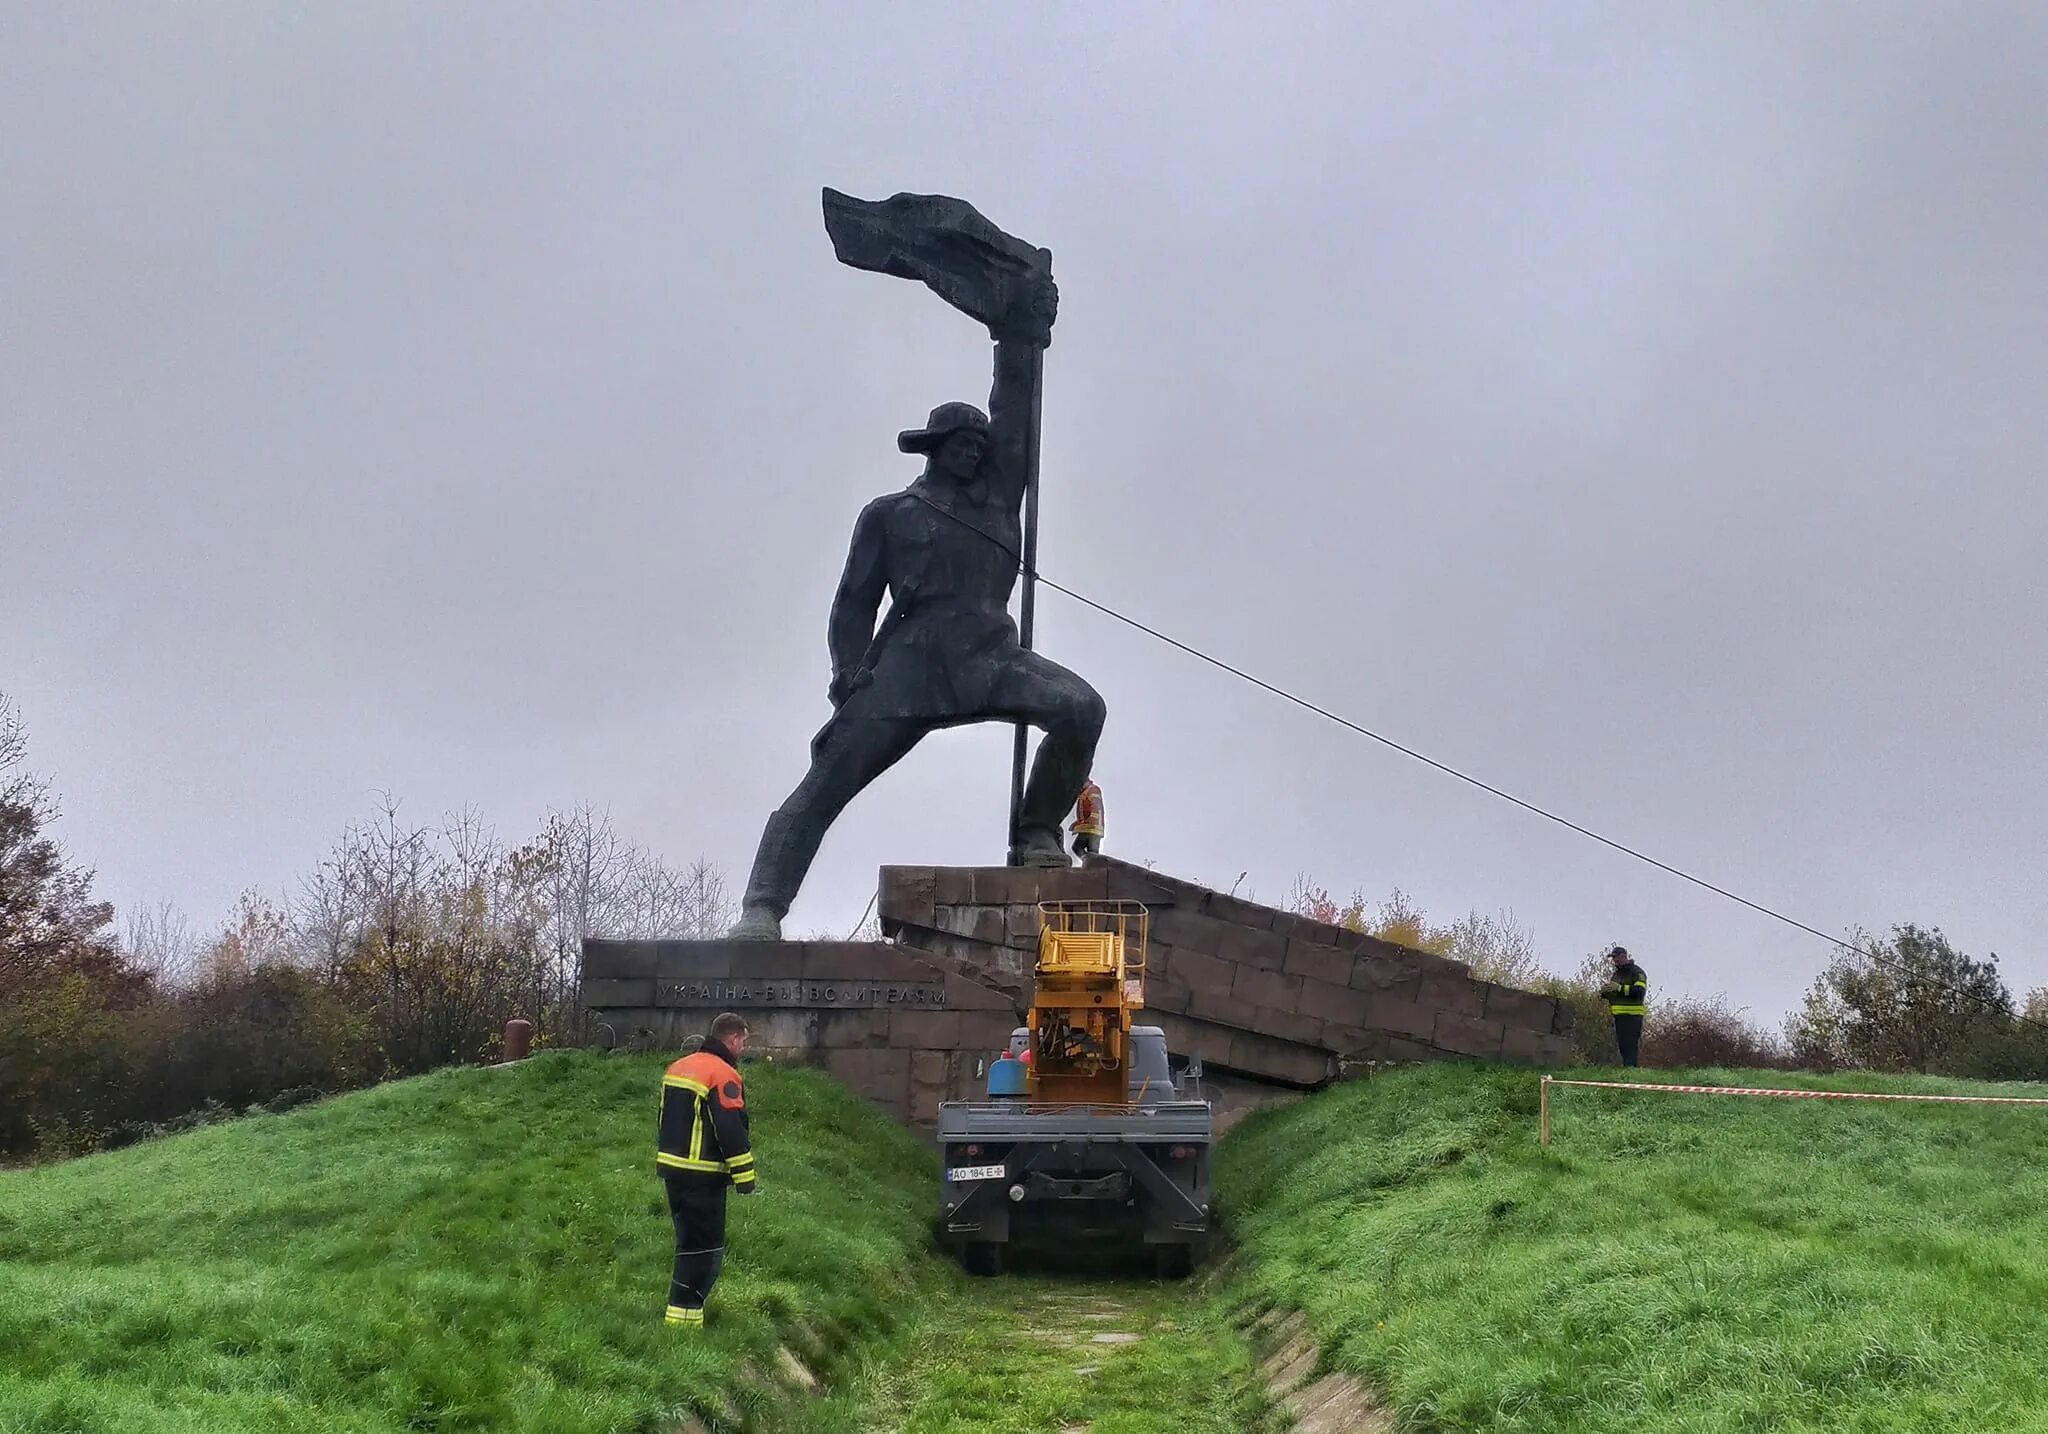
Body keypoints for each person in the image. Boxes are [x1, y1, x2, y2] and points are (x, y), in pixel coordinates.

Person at [730, 268, 1106, 940]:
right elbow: (853, 603)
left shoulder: (998, 498)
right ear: (933, 450)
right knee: (827, 781)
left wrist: (1019, 333)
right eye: (960, 445)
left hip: (988, 653)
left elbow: (1016, 405)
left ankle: (1036, 832)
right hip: (907, 664)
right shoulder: (890, 514)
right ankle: (762, 906)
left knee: (1081, 708)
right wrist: (848, 672)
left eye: (980, 447)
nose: (974, 453)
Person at [657, 1012, 756, 1329]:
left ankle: (680, 1324)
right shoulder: (722, 1074)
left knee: (687, 1244)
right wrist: (744, 1176)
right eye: (744, 1041)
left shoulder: (678, 1067)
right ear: (735, 1038)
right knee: (705, 1251)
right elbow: (729, 1127)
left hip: (673, 1171)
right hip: (703, 1175)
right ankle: (683, 1323)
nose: (743, 1048)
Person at [1599, 946, 1648, 1068]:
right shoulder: (1616, 975)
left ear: (1624, 956)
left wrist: (1620, 988)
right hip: (1619, 1015)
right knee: (1622, 1045)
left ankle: (1631, 1069)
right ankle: (1626, 1068)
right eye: (1613, 958)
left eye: (1616, 957)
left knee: (1631, 1044)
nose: (1614, 960)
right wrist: (1605, 992)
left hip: (1633, 1015)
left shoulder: (1637, 973)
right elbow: (1615, 995)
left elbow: (1639, 992)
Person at [1069, 778, 1104, 858]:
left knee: (1089, 851)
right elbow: (1084, 814)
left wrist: (1092, 820)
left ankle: (1090, 864)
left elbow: (1095, 807)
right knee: (1088, 851)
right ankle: (1089, 863)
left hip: (1093, 829)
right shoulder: (1084, 793)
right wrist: (1076, 824)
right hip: (1087, 828)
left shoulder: (1092, 790)